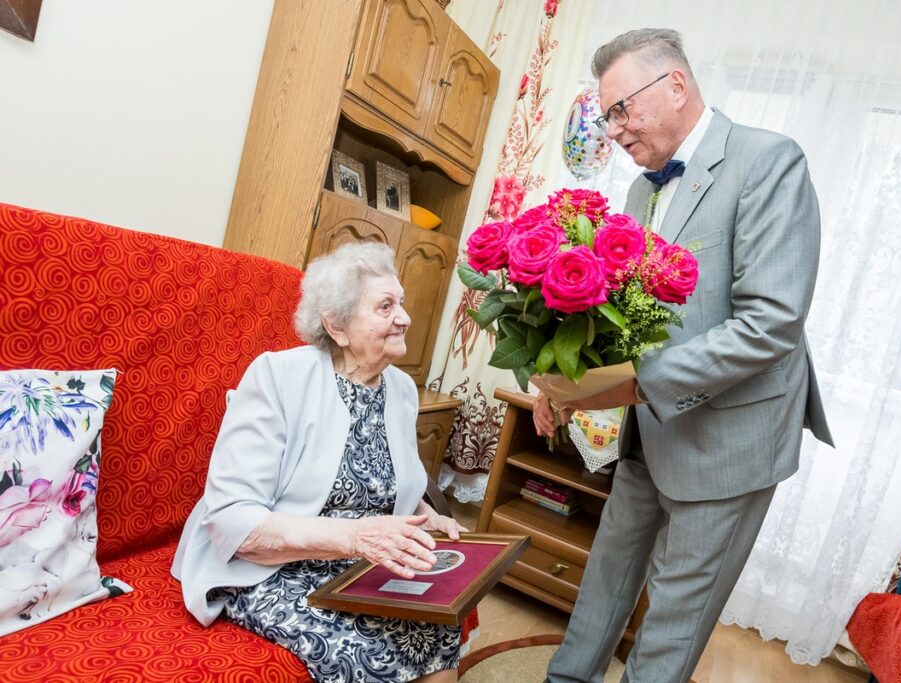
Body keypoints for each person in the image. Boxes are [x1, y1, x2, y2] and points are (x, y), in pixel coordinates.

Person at [536, 29, 834, 682]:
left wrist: (637, 384)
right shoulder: (642, 192)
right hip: (649, 432)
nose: (612, 130)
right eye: (606, 114)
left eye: (620, 109)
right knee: (605, 578)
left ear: (675, 84)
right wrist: (564, 379)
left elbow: (771, 321)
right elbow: (629, 319)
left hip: (729, 440)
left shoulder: (768, 161)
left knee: (672, 620)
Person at [172, 241, 465, 683]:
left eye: (400, 303)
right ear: (337, 325)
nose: (404, 317)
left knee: (440, 623)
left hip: (359, 561)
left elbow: (396, 479)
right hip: (270, 567)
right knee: (366, 649)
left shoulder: (402, 390)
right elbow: (235, 520)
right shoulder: (278, 376)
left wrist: (424, 516)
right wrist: (354, 537)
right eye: (385, 307)